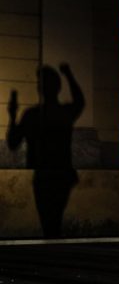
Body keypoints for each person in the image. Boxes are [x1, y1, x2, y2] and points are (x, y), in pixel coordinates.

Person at [6, 63, 84, 238]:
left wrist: (12, 116)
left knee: (48, 221)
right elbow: (80, 102)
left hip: (43, 174)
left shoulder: (32, 115)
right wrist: (69, 74)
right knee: (53, 220)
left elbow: (12, 143)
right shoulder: (62, 112)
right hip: (60, 173)